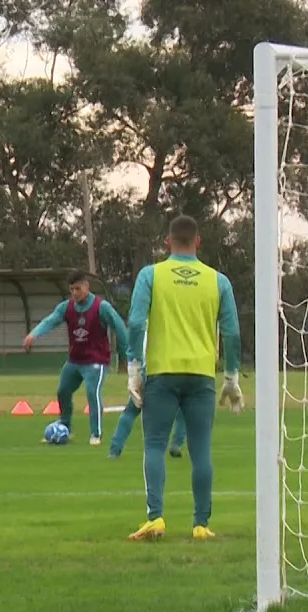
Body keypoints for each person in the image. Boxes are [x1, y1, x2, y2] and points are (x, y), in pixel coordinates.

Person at [125, 215, 242, 540]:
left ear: (167, 242)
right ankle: (201, 525)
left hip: (162, 371)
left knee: (154, 444)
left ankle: (156, 517)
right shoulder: (217, 280)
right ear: (198, 242)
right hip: (202, 375)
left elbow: (135, 323)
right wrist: (231, 377)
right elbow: (231, 333)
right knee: (201, 450)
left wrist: (134, 369)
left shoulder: (152, 275)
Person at [23, 270, 128, 445]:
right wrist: (33, 335)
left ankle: (96, 434)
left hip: (96, 361)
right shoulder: (66, 307)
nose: (74, 293)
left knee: (91, 393)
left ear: (86, 287)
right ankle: (64, 427)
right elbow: (50, 321)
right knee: (62, 391)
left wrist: (127, 354)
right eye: (71, 289)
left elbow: (120, 328)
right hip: (75, 361)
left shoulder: (101, 307)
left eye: (77, 289)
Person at [108, 392, 187, 459]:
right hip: (171, 382)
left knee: (130, 412)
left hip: (147, 380)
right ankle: (176, 444)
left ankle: (115, 449)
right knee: (183, 411)